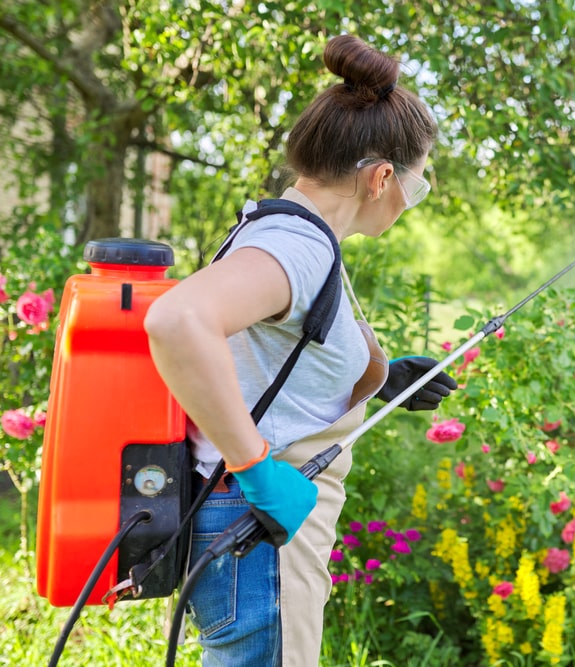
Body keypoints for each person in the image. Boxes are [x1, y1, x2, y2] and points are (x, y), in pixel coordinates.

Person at [144, 34, 456, 666]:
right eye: (415, 189)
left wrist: (379, 378)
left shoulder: (286, 231)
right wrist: (256, 468)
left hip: (252, 530)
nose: (406, 205)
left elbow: (261, 358)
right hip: (258, 531)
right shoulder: (302, 247)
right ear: (381, 178)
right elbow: (178, 320)